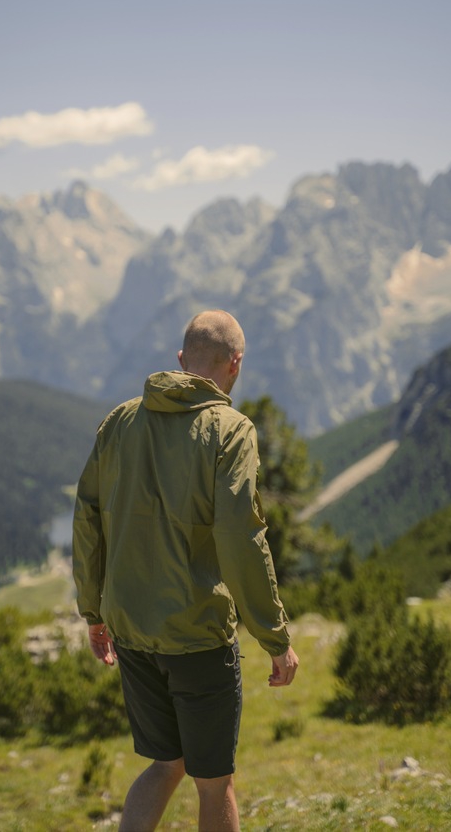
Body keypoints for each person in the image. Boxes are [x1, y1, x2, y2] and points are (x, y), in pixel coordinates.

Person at [72, 309, 299, 832]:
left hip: (131, 631)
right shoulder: (230, 430)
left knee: (165, 763)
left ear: (180, 361)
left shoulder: (120, 421)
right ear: (235, 365)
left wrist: (93, 612)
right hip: (197, 636)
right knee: (215, 781)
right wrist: (274, 636)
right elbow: (241, 536)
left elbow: (87, 518)